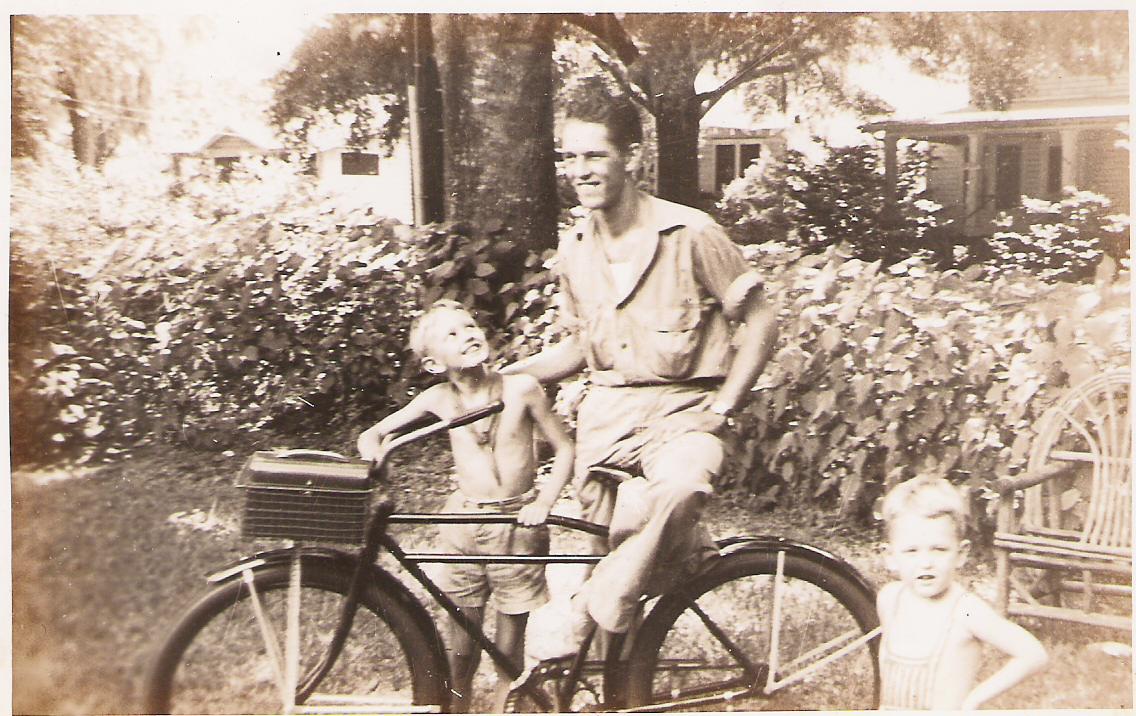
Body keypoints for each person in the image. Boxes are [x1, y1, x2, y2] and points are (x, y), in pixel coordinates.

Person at [502, 94, 778, 644]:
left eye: (594, 156)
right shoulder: (575, 247)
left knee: (680, 490)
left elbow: (764, 322)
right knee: (601, 555)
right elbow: (581, 347)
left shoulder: (690, 232)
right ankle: (614, 683)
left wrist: (722, 409)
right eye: (568, 158)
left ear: (632, 156)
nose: (578, 171)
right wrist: (508, 377)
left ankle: (598, 602)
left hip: (682, 416)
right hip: (606, 425)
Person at [357, 300, 575, 712]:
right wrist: (375, 457)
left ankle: (502, 708)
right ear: (435, 363)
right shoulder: (437, 399)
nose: (468, 335)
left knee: (506, 650)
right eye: (452, 335)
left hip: (517, 524)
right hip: (462, 526)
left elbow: (565, 448)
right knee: (462, 646)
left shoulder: (522, 388)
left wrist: (544, 501)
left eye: (470, 325)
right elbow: (374, 434)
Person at [877, 476, 1048, 710]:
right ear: (890, 557)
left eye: (939, 549)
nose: (926, 562)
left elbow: (1033, 654)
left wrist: (974, 699)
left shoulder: (965, 611)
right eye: (911, 551)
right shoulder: (890, 599)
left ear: (961, 553)